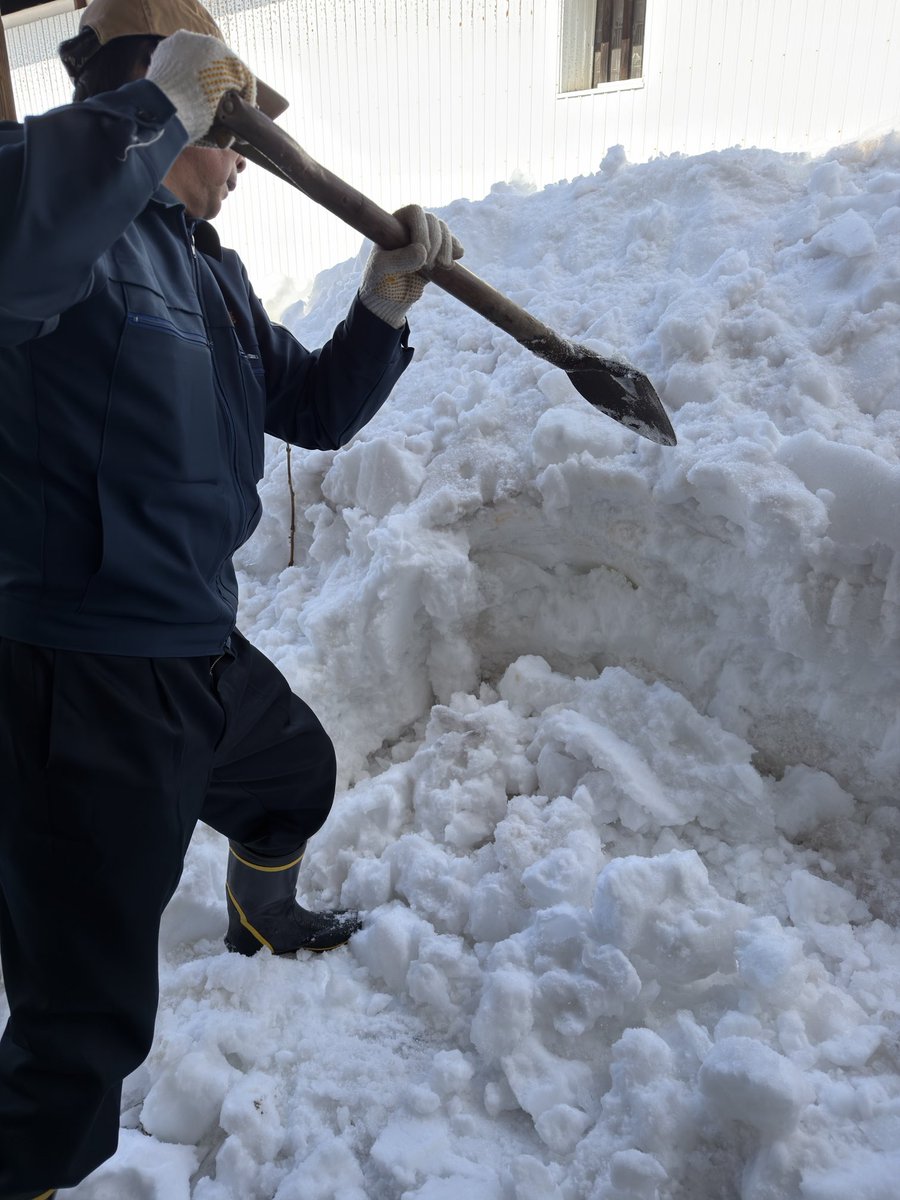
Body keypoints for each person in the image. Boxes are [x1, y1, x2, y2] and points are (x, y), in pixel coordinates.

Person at [0, 0, 462, 1195]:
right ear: (164, 99)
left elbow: (309, 409)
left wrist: (383, 306)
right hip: (80, 681)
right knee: (81, 1022)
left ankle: (264, 914)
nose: (246, 163)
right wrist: (152, 109)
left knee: (293, 777)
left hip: (196, 646)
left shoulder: (207, 269)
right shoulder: (52, 218)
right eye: (234, 133)